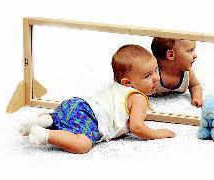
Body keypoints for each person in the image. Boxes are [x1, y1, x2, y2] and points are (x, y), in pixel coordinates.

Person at [19, 45, 175, 154]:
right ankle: (44, 135)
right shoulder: (139, 98)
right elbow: (137, 127)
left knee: (63, 120)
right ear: (127, 82)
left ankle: (45, 120)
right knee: (83, 144)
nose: (156, 78)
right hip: (90, 117)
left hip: (75, 103)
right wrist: (157, 133)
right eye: (147, 76)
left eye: (156, 70)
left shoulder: (118, 87)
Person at [151, 37, 203, 107]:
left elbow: (195, 85)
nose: (195, 55)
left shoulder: (188, 73)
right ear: (170, 55)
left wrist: (197, 97)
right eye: (190, 51)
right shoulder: (152, 71)